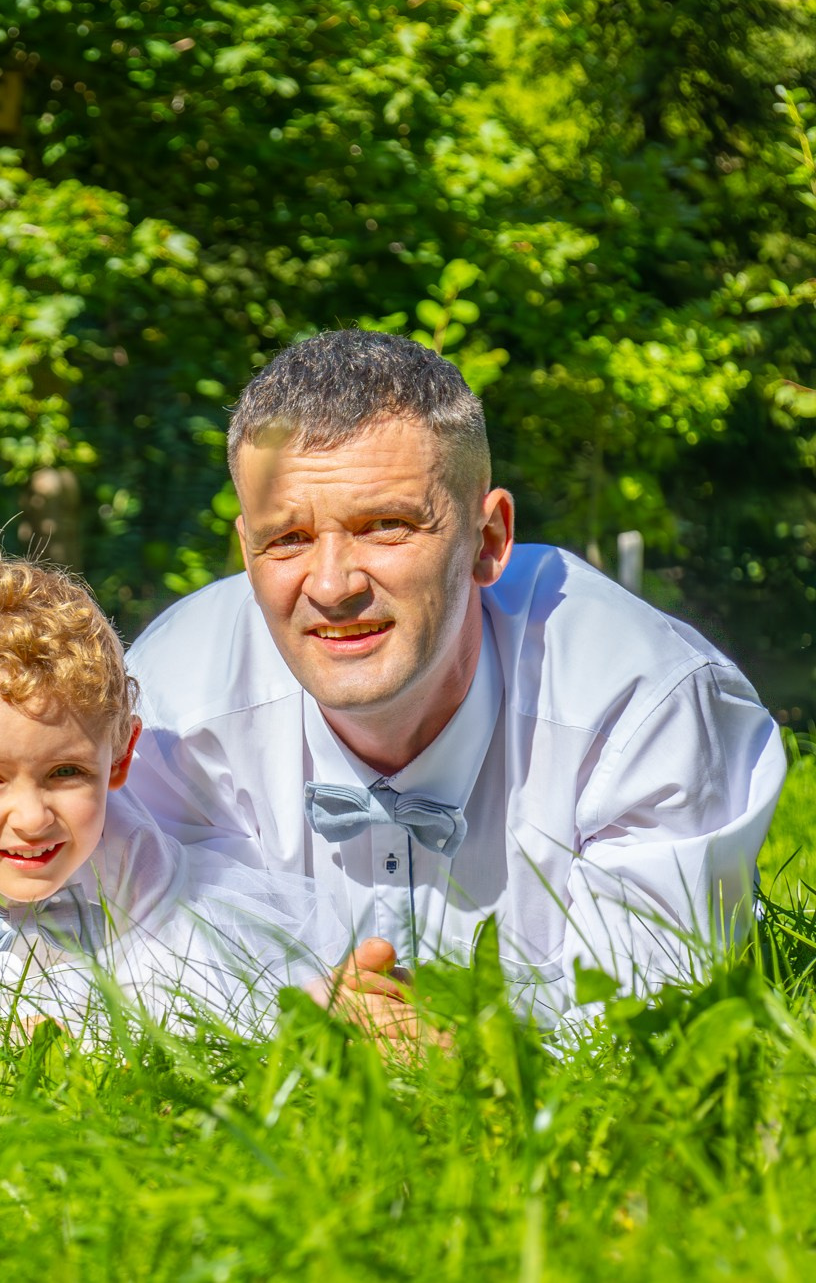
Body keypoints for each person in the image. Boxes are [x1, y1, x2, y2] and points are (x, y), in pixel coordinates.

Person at [123, 329, 787, 1020]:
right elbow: (109, 973)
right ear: (245, 548)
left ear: (489, 540)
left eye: (385, 525)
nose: (330, 584)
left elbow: (649, 1012)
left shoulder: (643, 707)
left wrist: (447, 1053)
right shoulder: (164, 717)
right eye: (287, 538)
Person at [0, 557, 338, 1031]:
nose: (31, 817)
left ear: (118, 758)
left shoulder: (132, 860)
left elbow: (174, 1002)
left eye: (65, 772)